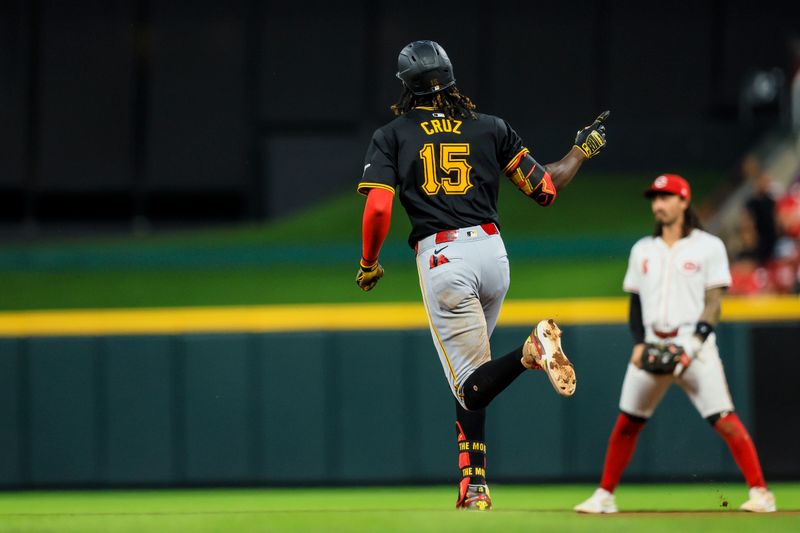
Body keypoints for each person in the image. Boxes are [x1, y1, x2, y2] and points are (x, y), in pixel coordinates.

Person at [355, 39, 609, 510]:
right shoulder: (490, 127)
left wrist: (369, 263)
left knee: (470, 381)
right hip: (493, 252)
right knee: (476, 380)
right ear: (451, 79)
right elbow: (545, 188)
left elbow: (377, 207)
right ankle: (474, 485)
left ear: (406, 87)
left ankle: (532, 350)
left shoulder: (392, 135)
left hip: (444, 258)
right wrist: (580, 151)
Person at [574, 174, 776, 514]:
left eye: (666, 197)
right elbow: (635, 303)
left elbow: (714, 302)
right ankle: (604, 495)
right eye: (655, 198)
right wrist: (638, 344)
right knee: (627, 423)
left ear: (684, 201)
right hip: (653, 341)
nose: (659, 204)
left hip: (693, 343)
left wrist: (694, 342)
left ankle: (761, 493)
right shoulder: (643, 250)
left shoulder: (708, 246)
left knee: (725, 419)